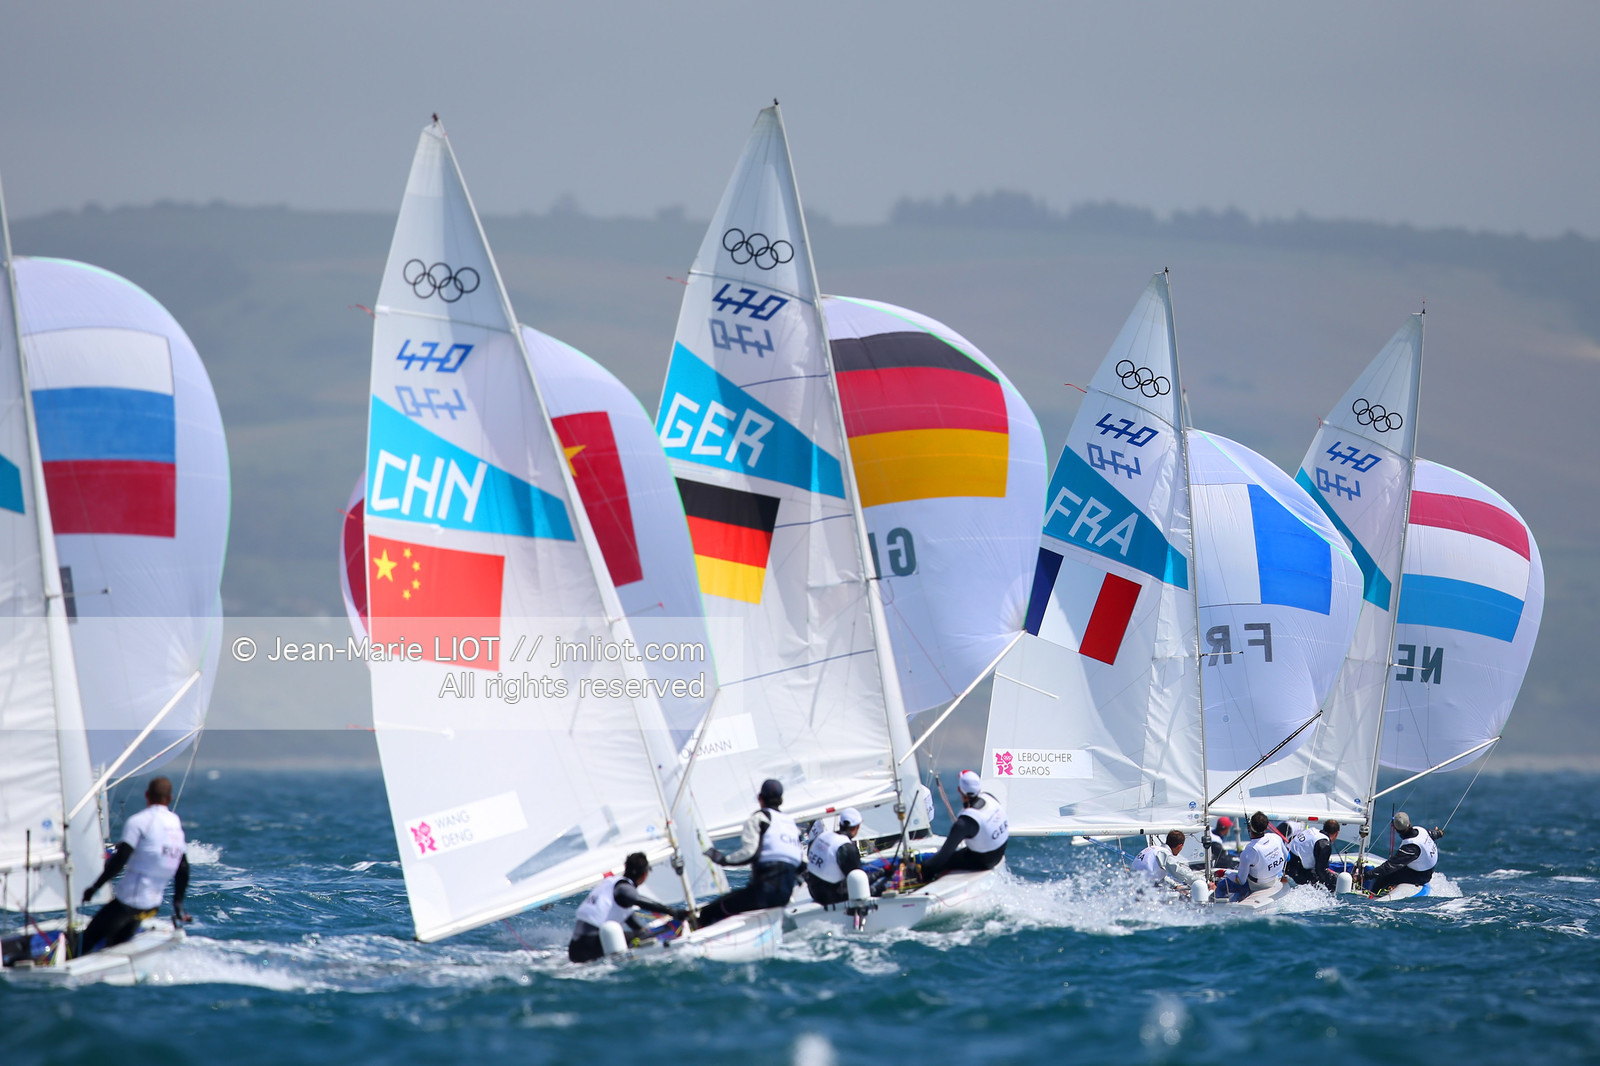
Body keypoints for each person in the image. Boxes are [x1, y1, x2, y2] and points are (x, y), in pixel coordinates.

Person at [77, 777, 191, 955]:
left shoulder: (139, 821)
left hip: (128, 903)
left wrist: (95, 887)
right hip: (152, 906)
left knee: (88, 939)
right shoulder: (175, 823)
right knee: (116, 942)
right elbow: (183, 867)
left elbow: (120, 859)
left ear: (147, 795)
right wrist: (178, 902)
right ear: (170, 799)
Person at [697, 778, 805, 927]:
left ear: (760, 798)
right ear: (781, 800)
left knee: (708, 912)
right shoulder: (791, 825)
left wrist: (722, 859)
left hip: (763, 894)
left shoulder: (758, 819)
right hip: (784, 897)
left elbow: (750, 853)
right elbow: (802, 864)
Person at [567, 852, 687, 962]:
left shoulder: (609, 883)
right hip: (594, 946)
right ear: (644, 874)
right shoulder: (623, 889)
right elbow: (638, 900)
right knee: (651, 936)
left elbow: (636, 926)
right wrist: (672, 911)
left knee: (643, 935)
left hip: (575, 950)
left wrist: (644, 932)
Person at [918, 771, 1008, 882]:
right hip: (1000, 852)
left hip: (984, 861)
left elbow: (943, 855)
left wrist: (925, 867)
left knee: (934, 864)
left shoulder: (965, 822)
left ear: (959, 790)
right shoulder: (990, 798)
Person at [1215, 811, 1287, 902]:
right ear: (1266, 827)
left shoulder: (1249, 851)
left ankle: (1221, 907)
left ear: (1249, 827)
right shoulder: (1276, 837)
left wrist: (1225, 872)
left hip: (1257, 886)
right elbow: (1287, 857)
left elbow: (1241, 881)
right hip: (1275, 879)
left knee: (1221, 886)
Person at [1368, 811, 1440, 895]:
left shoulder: (1410, 847)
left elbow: (1389, 867)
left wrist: (1366, 876)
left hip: (1421, 876)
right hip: (1428, 868)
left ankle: (1372, 895)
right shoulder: (1420, 830)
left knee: (1384, 876)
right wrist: (1439, 833)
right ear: (1409, 824)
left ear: (1396, 829)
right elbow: (1433, 834)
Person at [804, 808, 864, 905]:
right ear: (857, 827)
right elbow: (857, 878)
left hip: (813, 892)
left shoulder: (822, 836)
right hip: (831, 897)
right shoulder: (846, 847)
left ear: (840, 823)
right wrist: (882, 872)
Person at [1133, 830, 1209, 897]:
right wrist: (1205, 882)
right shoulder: (1164, 854)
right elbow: (1180, 873)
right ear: (1180, 846)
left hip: (1134, 887)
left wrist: (1175, 886)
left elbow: (1159, 877)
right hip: (1143, 891)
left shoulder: (1153, 849)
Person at [1286, 819, 1341, 890]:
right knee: (1330, 886)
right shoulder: (1325, 844)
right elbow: (1321, 871)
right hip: (1296, 872)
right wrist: (1336, 880)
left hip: (1286, 864)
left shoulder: (1311, 830)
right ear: (1337, 833)